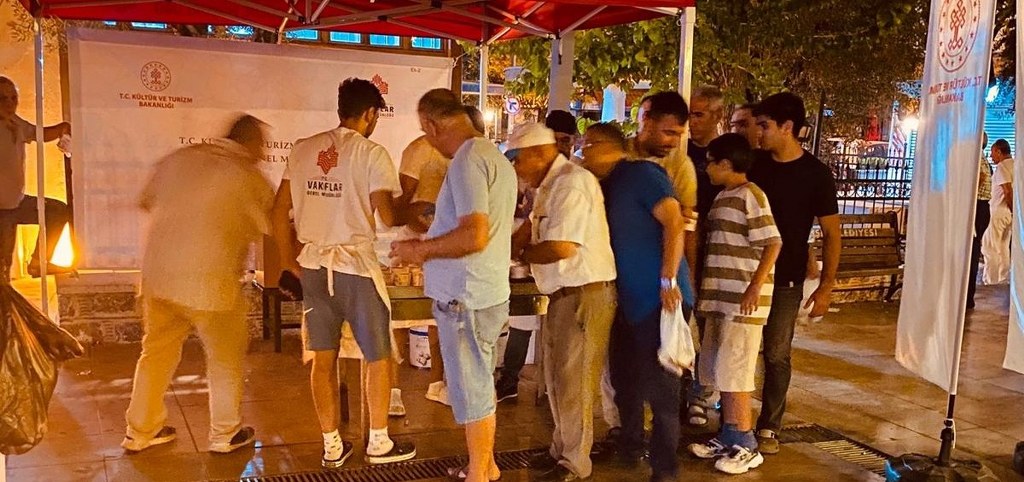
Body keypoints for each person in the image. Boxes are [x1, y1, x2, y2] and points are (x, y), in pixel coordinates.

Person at [272, 78, 416, 468]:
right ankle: (379, 442)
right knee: (378, 355)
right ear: (369, 113)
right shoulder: (371, 153)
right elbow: (388, 216)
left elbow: (278, 211)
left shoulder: (302, 149)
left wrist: (288, 261)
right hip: (355, 267)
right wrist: (414, 208)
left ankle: (332, 446)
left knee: (322, 358)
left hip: (314, 267)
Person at [122, 115, 273, 454]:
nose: (263, 154)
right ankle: (225, 433)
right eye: (261, 145)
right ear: (250, 142)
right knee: (224, 357)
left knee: (155, 352)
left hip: (159, 276)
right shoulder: (248, 176)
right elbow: (271, 225)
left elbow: (145, 201)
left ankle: (140, 431)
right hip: (211, 282)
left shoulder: (179, 158)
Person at [390, 88, 517, 482]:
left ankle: (479, 472)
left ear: (431, 125)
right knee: (476, 384)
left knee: (472, 389)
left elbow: (474, 235)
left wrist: (419, 250)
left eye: (424, 132)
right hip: (483, 292)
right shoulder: (493, 156)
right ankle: (485, 464)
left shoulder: (467, 160)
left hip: (466, 296)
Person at [581, 122, 693, 482]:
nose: (583, 153)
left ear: (605, 146)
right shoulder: (605, 184)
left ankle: (665, 468)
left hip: (660, 299)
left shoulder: (642, 174)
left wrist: (668, 278)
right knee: (624, 380)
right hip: (626, 301)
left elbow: (674, 222)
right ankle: (630, 446)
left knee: (661, 390)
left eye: (588, 146)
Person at [507, 123, 616, 482]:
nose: (515, 166)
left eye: (517, 158)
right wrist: (514, 246)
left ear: (540, 153)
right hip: (561, 295)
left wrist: (522, 254)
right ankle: (562, 449)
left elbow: (561, 247)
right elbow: (530, 230)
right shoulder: (547, 186)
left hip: (583, 293)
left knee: (575, 381)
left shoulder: (572, 183)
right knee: (556, 379)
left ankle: (575, 463)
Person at [747, 92, 840, 454]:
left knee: (776, 352)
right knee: (740, 348)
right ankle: (734, 417)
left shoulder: (816, 174)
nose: (758, 132)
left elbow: (832, 232)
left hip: (786, 278)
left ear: (787, 127)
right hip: (745, 272)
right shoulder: (754, 164)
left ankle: (769, 425)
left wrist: (826, 286)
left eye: (765, 125)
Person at [687, 133, 782, 475]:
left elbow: (772, 242)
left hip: (742, 302)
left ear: (726, 164)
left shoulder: (751, 195)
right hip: (720, 300)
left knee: (736, 371)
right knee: (718, 369)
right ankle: (729, 433)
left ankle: (746, 442)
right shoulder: (723, 197)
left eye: (710, 162)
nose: (707, 169)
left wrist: (755, 286)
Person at [0, 76, 73, 279]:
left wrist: (63, 128)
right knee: (3, 266)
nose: (9, 103)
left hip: (15, 203)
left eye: (13, 98)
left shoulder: (15, 123)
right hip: (2, 209)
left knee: (56, 211)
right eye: (2, 98)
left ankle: (38, 262)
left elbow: (38, 133)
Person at [685, 85, 726, 427]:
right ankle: (683, 392)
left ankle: (702, 394)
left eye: (699, 114)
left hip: (719, 252)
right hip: (687, 248)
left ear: (717, 116)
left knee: (710, 329)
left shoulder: (726, 154)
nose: (692, 122)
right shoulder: (681, 153)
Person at [982, 138, 1013, 286]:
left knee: (990, 247)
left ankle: (991, 280)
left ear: (999, 151)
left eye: (993, 152)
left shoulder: (1002, 167)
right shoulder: (1016, 165)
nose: (991, 156)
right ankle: (1003, 278)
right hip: (1008, 214)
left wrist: (1011, 208)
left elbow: (1007, 190)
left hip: (998, 211)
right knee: (1003, 247)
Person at [967, 133, 992, 309]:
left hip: (977, 207)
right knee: (973, 250)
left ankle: (967, 294)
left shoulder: (977, 159)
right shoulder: (983, 160)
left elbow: (979, 178)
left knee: (971, 251)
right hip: (982, 207)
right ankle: (968, 294)